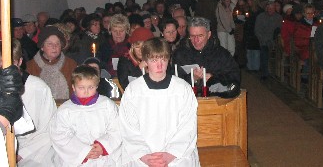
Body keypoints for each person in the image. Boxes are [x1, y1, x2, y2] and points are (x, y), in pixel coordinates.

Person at [119, 37, 200, 166]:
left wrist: (170, 155)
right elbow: (129, 128)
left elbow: (188, 126)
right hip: (142, 155)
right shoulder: (134, 90)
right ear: (145, 61)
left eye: (163, 59)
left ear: (169, 60)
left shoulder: (182, 88)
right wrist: (145, 156)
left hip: (176, 154)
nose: (159, 65)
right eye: (154, 60)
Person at [50, 66, 121, 166]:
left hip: (104, 157)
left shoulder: (107, 105)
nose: (86, 91)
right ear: (73, 87)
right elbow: (60, 136)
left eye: (91, 87)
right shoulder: (65, 110)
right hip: (77, 160)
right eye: (81, 88)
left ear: (97, 86)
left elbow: (117, 129)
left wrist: (102, 146)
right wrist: (84, 151)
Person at [7, 39, 57, 166]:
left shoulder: (38, 87)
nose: (4, 68)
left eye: (10, 63)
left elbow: (49, 129)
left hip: (35, 150)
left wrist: (21, 153)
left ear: (19, 61)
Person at [173, 17, 241, 98]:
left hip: (215, 102)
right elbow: (173, 81)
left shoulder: (221, 54)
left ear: (208, 35)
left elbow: (235, 77)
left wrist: (213, 78)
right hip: (187, 100)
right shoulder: (180, 54)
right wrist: (192, 78)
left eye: (200, 36)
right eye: (192, 36)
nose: (196, 40)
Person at [26, 26, 77, 99]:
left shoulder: (71, 65)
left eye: (57, 43)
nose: (54, 47)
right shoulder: (30, 67)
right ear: (42, 47)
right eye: (50, 44)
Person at [255, 1, 283, 80]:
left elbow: (280, 30)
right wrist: (263, 40)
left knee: (280, 53)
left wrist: (276, 41)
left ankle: (278, 73)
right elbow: (257, 30)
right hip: (263, 40)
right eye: (269, 8)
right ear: (266, 8)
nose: (270, 10)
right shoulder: (260, 17)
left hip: (275, 41)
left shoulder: (279, 17)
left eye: (272, 8)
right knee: (264, 52)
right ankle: (265, 73)